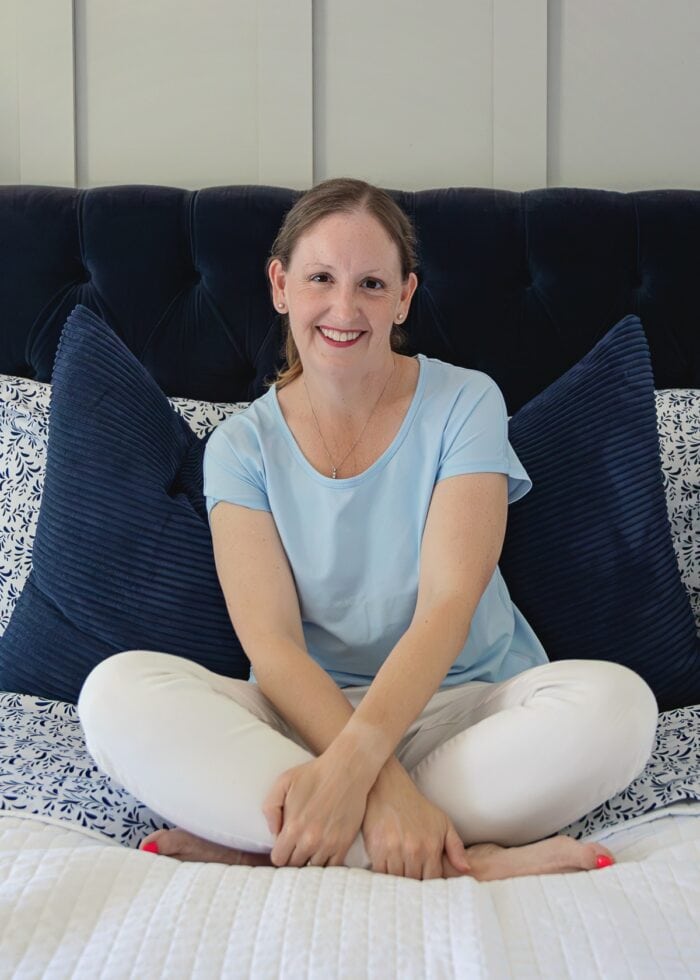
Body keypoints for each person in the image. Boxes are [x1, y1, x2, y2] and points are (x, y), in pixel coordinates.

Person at [78, 178, 658, 881]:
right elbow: (271, 641)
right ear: (280, 284)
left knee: (620, 710)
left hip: (463, 711)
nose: (344, 308)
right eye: (321, 277)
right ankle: (448, 855)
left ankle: (276, 842)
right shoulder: (240, 447)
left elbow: (450, 603)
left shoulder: (466, 402)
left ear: (405, 296)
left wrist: (360, 767)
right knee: (114, 693)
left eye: (372, 284)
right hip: (299, 726)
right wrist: (367, 779)